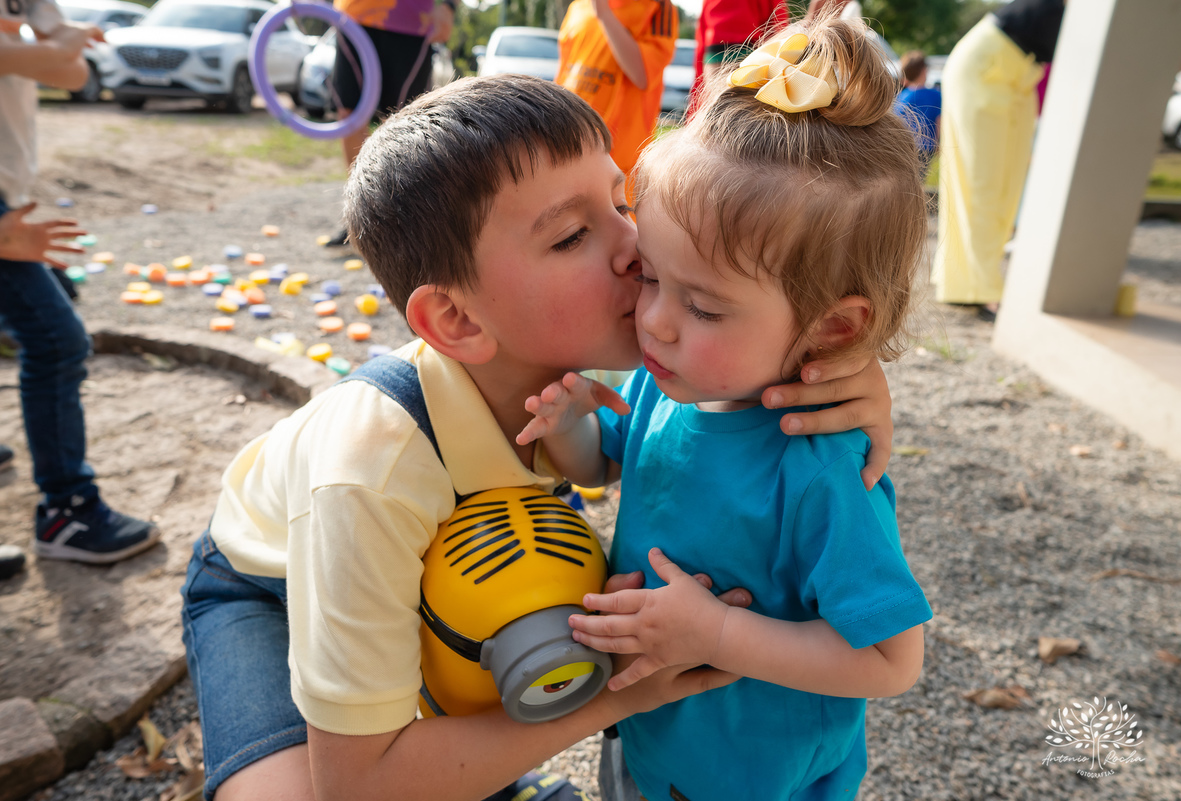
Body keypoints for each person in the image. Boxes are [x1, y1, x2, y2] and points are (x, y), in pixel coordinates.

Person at [181, 74, 898, 801]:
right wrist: (621, 692)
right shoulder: (368, 473)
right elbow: (358, 786)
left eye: (622, 202)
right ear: (458, 321)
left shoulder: (624, 355)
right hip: (268, 588)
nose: (637, 247)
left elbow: (766, 303)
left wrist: (834, 365)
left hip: (454, 564)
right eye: (572, 235)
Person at [516, 17, 931, 801]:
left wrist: (716, 632)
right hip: (649, 734)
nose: (654, 320)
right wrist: (570, 427)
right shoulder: (668, 379)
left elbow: (890, 659)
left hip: (753, 777)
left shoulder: (819, 464)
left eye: (703, 306)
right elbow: (606, 463)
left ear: (835, 328)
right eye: (649, 276)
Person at [1, 0, 160, 577]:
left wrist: (41, 50)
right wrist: (45, 47)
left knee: (51, 317)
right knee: (57, 339)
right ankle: (66, 510)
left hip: (9, 192)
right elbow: (49, 56)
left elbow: (73, 72)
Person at [931, 0, 1065, 314]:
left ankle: (963, 280)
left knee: (1007, 187)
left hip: (1021, 75)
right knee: (981, 183)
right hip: (985, 67)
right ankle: (974, 289)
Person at [321, 0, 456, 247]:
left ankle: (402, 220)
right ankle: (360, 216)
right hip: (353, 14)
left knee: (404, 121)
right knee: (350, 115)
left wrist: (448, 6)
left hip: (410, 18)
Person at [556, 0, 678, 178]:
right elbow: (563, 76)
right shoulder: (578, 7)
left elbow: (642, 75)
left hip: (620, 163)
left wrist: (604, 14)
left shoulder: (657, 6)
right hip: (571, 148)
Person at [689, 0, 787, 114]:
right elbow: (778, 19)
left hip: (714, 56)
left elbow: (702, 27)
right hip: (749, 52)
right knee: (749, 113)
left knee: (715, 111)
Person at [894, 50, 941, 176]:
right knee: (919, 178)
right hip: (926, 146)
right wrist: (938, 144)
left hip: (904, 145)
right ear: (924, 71)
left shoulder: (902, 96)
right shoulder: (935, 95)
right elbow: (939, 121)